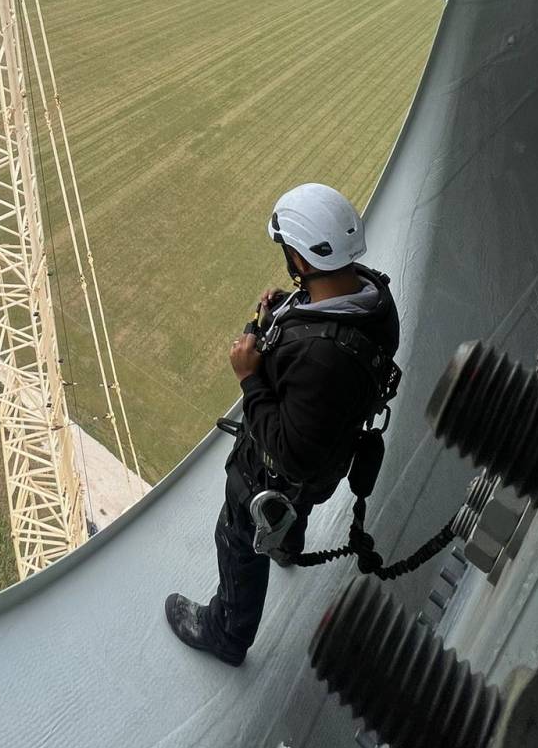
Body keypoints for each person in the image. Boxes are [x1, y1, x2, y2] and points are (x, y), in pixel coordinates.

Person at [165, 183, 400, 667]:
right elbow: (328, 343)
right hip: (327, 462)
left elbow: (287, 451)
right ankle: (288, 545)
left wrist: (250, 378)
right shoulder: (375, 296)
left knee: (237, 537)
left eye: (288, 251)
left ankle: (227, 633)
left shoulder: (318, 357)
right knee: (295, 510)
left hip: (277, 475)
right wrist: (289, 310)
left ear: (304, 259)